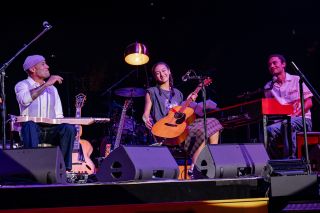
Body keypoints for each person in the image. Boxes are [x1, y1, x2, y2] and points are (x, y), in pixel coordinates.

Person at [142, 62, 223, 174]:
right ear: (155, 76)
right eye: (157, 73)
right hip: (164, 131)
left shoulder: (178, 94)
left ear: (169, 71)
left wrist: (189, 101)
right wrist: (146, 119)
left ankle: (206, 161)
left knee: (212, 123)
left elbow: (182, 113)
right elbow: (145, 114)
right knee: (201, 130)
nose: (162, 74)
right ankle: (195, 168)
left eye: (164, 71)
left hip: (180, 130)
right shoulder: (152, 92)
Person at [14, 55, 76, 171]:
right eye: (43, 64)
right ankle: (33, 168)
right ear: (33, 69)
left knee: (68, 128)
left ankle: (63, 168)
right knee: (29, 125)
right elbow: (25, 99)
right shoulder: (22, 85)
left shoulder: (53, 89)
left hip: (51, 131)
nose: (47, 66)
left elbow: (59, 115)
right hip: (32, 132)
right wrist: (46, 84)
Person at [264, 54, 313, 159]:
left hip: (302, 119)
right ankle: (275, 162)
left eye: (274, 63)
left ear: (283, 64)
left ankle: (291, 160)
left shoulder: (297, 80)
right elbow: (270, 108)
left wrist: (295, 115)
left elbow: (309, 103)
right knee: (268, 129)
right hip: (281, 122)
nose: (272, 66)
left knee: (287, 123)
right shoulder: (268, 87)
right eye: (269, 65)